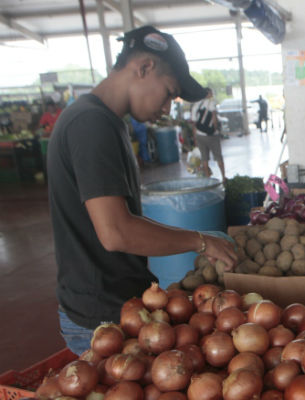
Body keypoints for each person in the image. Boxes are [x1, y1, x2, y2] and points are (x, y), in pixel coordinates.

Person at [46, 25, 237, 356]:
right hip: (100, 317)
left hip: (122, 304)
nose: (166, 110)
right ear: (144, 67)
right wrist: (199, 241)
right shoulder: (90, 124)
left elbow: (124, 219)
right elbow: (116, 232)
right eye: (168, 93)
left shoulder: (105, 121)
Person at [191, 87, 226, 182]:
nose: (212, 95)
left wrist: (195, 139)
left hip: (199, 135)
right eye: (211, 93)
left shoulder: (196, 105)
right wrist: (215, 129)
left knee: (204, 159)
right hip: (212, 135)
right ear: (208, 94)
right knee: (218, 157)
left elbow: (193, 123)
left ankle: (208, 180)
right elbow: (214, 118)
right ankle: (223, 177)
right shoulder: (211, 103)